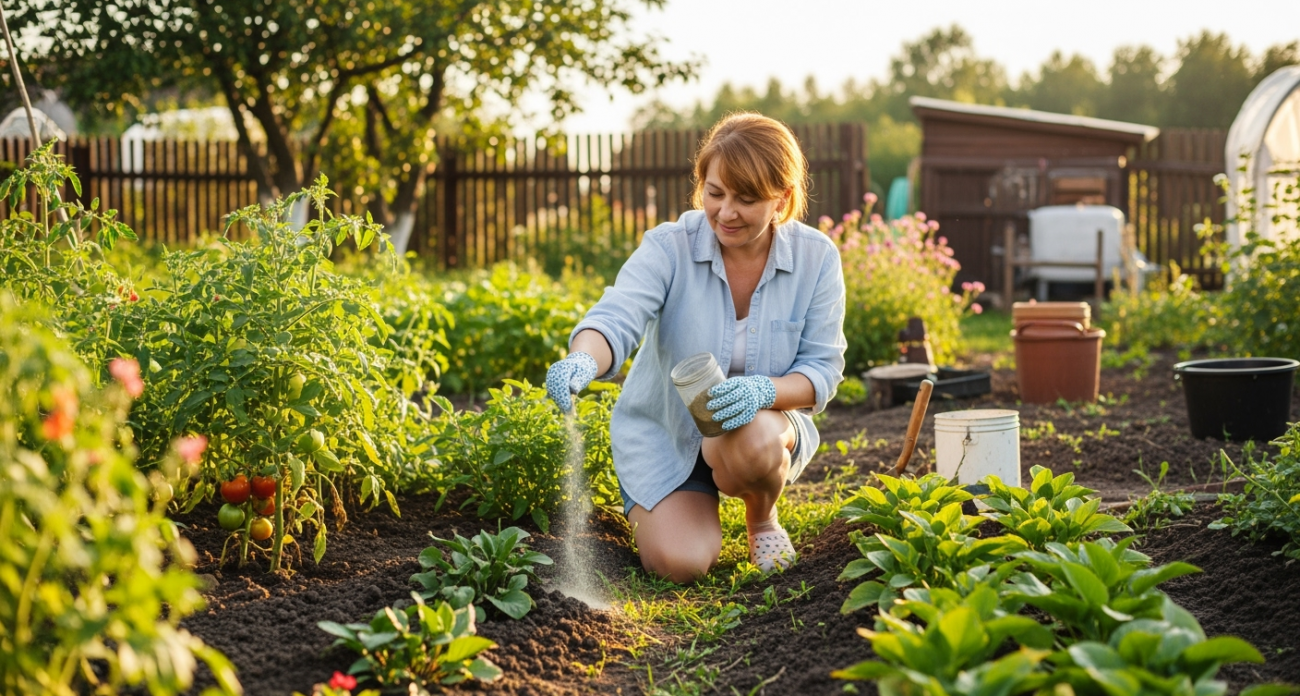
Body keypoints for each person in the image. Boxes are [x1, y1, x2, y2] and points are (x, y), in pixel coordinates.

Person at [545, 113, 846, 582]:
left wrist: (762, 393)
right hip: (669, 434)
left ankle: (761, 517)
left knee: (754, 437)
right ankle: (687, 504)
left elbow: (822, 370)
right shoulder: (670, 247)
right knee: (680, 564)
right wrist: (584, 357)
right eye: (715, 192)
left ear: (781, 198)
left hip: (757, 433)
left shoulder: (816, 258)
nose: (726, 213)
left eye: (746, 199)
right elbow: (616, 316)